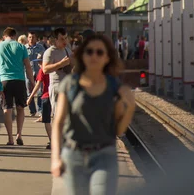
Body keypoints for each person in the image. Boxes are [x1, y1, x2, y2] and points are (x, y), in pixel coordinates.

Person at [51, 34, 135, 195]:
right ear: (82, 55)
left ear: (107, 58)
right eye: (89, 51)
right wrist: (56, 158)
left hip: (104, 155)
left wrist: (129, 108)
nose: (94, 56)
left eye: (99, 52)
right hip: (74, 155)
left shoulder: (114, 86)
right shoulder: (70, 84)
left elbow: (117, 130)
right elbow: (58, 122)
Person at [0, 27, 34, 146]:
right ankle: (19, 134)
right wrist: (32, 81)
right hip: (19, 80)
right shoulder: (21, 47)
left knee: (7, 110)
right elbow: (28, 66)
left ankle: (10, 138)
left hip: (4, 81)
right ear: (15, 36)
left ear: (4, 36)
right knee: (20, 108)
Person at [42, 28, 72, 118]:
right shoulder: (50, 52)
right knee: (58, 116)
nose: (65, 41)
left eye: (66, 38)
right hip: (57, 86)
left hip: (68, 86)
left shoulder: (67, 50)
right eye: (62, 39)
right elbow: (45, 69)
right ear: (55, 40)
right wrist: (60, 64)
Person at [27, 66, 52, 149]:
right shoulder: (58, 67)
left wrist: (30, 97)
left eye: (39, 62)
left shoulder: (43, 70)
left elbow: (38, 85)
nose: (38, 64)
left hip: (46, 96)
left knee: (46, 120)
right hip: (59, 95)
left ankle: (52, 140)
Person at [27, 32, 46, 117]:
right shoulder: (24, 48)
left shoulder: (41, 47)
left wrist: (40, 58)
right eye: (30, 37)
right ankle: (32, 110)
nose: (31, 39)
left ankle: (40, 110)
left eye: (33, 37)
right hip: (28, 72)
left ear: (36, 38)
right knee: (29, 92)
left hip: (38, 71)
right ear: (28, 38)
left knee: (40, 91)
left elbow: (45, 58)